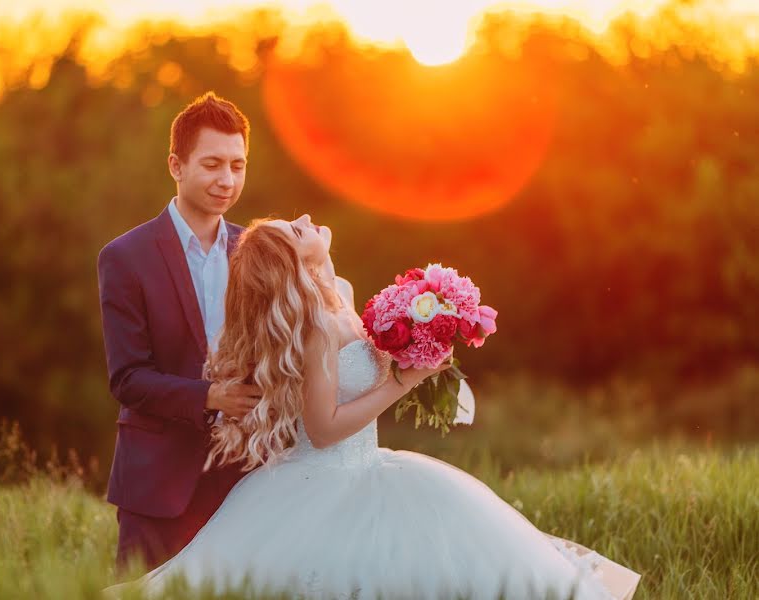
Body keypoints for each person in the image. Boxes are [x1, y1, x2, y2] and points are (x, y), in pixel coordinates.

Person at [106, 215, 642, 599]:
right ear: (295, 260)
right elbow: (322, 429)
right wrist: (403, 384)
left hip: (371, 468)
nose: (308, 220)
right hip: (324, 481)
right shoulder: (313, 330)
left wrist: (425, 332)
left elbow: (335, 287)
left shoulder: (333, 295)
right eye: (298, 228)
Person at [96, 92, 262, 572]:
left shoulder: (256, 252)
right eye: (212, 164)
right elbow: (127, 378)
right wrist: (212, 397)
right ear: (176, 165)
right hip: (156, 484)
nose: (226, 180)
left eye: (237, 164)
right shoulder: (125, 257)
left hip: (245, 480)